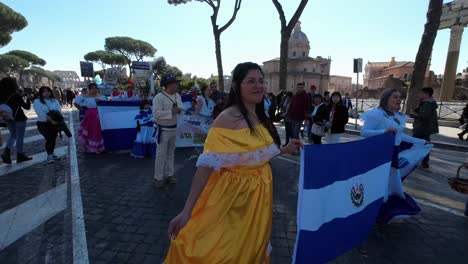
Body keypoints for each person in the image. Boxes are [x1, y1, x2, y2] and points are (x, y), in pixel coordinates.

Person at [164, 62, 303, 263]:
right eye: (251, 81)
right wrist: (187, 211)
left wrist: (285, 149)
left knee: (251, 249)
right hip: (232, 198)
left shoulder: (259, 114)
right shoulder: (226, 118)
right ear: (237, 86)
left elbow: (255, 156)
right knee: (224, 252)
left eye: (261, 81)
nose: (259, 86)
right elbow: (205, 167)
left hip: (258, 198)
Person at [360, 88, 431, 223]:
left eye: (400, 97)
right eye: (395, 97)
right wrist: (383, 131)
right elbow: (364, 132)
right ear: (386, 98)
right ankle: (374, 209)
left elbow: (400, 135)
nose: (399, 100)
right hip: (378, 155)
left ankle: (384, 209)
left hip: (392, 154)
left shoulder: (398, 116)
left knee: (390, 181)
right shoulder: (376, 114)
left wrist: (421, 141)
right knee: (379, 182)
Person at [152, 72, 184, 188]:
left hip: (173, 129)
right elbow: (156, 114)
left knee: (171, 154)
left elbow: (181, 107)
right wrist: (172, 112)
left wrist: (179, 110)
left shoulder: (177, 96)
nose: (177, 85)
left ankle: (169, 174)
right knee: (161, 155)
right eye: (175, 83)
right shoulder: (158, 97)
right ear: (169, 84)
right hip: (163, 130)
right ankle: (158, 177)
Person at [0, 77, 33, 164]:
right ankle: (20, 155)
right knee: (19, 137)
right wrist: (28, 98)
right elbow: (27, 107)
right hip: (19, 118)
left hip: (7, 118)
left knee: (13, 135)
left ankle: (6, 152)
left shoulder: (1, 96)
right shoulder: (16, 95)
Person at [410, 87, 439, 169]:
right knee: (424, 145)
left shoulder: (427, 104)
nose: (419, 95)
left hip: (421, 128)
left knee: (414, 144)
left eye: (421, 93)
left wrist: (413, 113)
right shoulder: (427, 103)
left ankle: (415, 161)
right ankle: (424, 163)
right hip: (424, 128)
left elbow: (423, 116)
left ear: (427, 94)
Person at [33, 86, 62, 163]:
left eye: (48, 91)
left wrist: (54, 119)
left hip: (54, 123)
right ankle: (49, 155)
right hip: (43, 123)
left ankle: (52, 154)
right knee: (49, 138)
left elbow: (58, 110)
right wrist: (51, 119)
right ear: (41, 93)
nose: (46, 93)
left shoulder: (54, 101)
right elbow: (40, 113)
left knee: (53, 139)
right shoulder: (37, 101)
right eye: (44, 91)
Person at [77, 83, 106, 153]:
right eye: (92, 88)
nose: (94, 90)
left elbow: (106, 104)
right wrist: (81, 109)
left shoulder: (101, 96)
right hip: (90, 116)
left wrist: (100, 102)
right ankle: (89, 147)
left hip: (99, 116)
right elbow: (76, 102)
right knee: (90, 131)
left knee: (98, 131)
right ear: (89, 89)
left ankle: (98, 147)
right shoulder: (85, 96)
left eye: (95, 88)